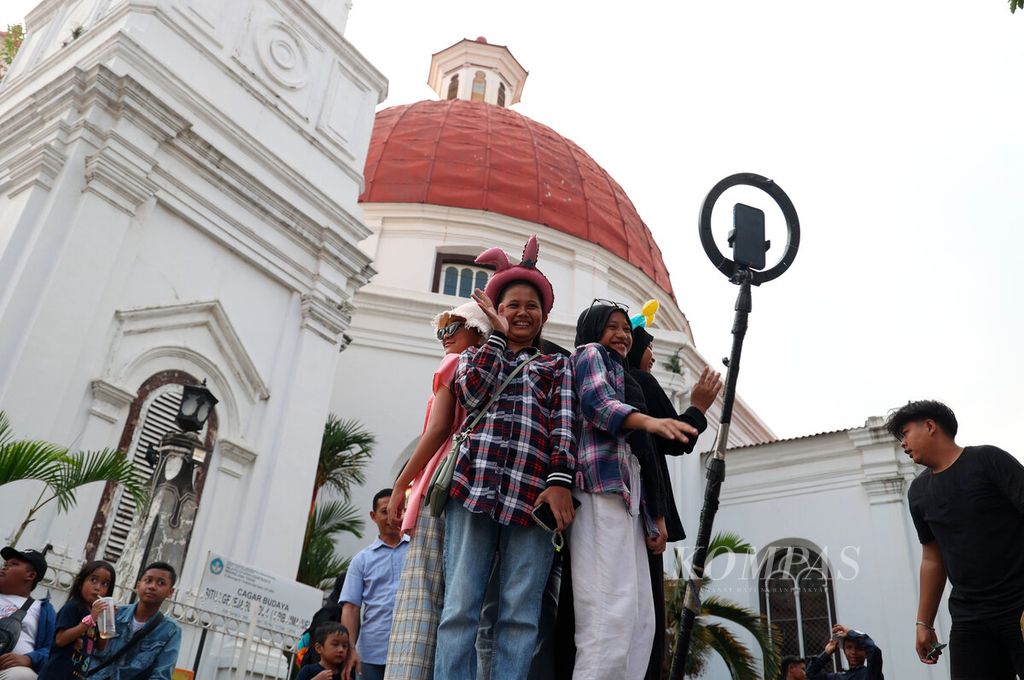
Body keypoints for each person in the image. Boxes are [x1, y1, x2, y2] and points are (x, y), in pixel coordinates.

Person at [434, 235, 575, 680]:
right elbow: (472, 394)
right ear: (497, 310)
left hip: (531, 499)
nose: (522, 313)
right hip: (472, 489)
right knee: (460, 607)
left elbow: (563, 427)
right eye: (512, 304)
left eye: (532, 306)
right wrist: (494, 338)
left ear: (544, 316)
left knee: (520, 615)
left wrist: (559, 481)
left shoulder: (556, 367)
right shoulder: (475, 355)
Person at [569, 301, 696, 680]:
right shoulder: (589, 354)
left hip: (627, 496)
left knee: (641, 617)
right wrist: (651, 423)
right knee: (608, 610)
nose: (622, 335)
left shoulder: (623, 372)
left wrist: (652, 515)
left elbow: (643, 457)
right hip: (599, 490)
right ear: (593, 330)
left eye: (626, 328)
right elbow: (599, 405)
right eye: (612, 327)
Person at [383, 301, 490, 680]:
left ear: (479, 331)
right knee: (464, 601)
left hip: (438, 487)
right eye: (441, 330)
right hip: (471, 490)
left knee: (421, 598)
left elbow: (439, 428)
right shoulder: (488, 374)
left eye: (453, 327)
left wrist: (402, 483)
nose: (445, 337)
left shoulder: (453, 365)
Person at [888, 399, 1024, 679]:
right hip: (969, 618)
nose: (903, 443)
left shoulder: (987, 460)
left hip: (1019, 604)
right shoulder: (919, 492)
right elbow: (932, 557)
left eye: (905, 432)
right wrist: (923, 622)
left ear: (930, 426)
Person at [625, 308, 722, 680]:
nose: (651, 356)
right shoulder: (642, 382)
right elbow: (677, 438)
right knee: (645, 612)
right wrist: (698, 407)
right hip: (646, 508)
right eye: (648, 347)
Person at [341, 489, 410, 680]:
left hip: (410, 651)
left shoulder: (417, 551)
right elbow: (351, 607)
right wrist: (350, 649)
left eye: (396, 510)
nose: (391, 517)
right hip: (370, 654)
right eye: (384, 511)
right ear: (373, 516)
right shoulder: (361, 560)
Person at [88, 561, 181, 680]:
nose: (152, 586)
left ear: (170, 592)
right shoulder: (114, 613)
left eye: (161, 583)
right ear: (138, 586)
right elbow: (93, 652)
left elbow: (161, 675)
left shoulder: (171, 630)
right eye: (148, 580)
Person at [37, 560, 115, 680]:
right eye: (93, 580)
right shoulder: (73, 607)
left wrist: (107, 620)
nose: (98, 587)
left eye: (104, 584)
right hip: (56, 674)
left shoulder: (97, 613)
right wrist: (90, 620)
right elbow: (60, 639)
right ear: (80, 583)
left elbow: (100, 646)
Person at [0, 546, 55, 680]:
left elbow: (52, 649)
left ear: (30, 575)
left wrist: (29, 659)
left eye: (13, 564)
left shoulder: (43, 609)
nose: (4, 567)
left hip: (8, 672)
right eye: (5, 564)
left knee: (24, 676)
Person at [806, 624, 882, 680]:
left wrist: (850, 632)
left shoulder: (871, 673)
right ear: (844, 650)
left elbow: (874, 651)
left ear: (865, 652)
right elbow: (811, 673)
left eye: (858, 648)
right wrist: (826, 653)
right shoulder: (838, 677)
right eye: (849, 647)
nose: (853, 652)